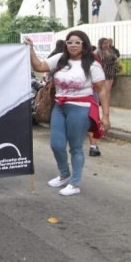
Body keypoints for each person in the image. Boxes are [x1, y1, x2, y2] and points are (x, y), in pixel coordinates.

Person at [25, 31, 110, 196]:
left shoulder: (92, 64)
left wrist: (105, 115)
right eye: (70, 42)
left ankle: (75, 183)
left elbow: (102, 90)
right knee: (56, 145)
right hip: (59, 106)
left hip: (81, 107)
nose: (73, 45)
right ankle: (64, 174)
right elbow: (40, 66)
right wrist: (31, 50)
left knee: (76, 147)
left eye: (77, 42)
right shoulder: (60, 59)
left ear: (84, 45)